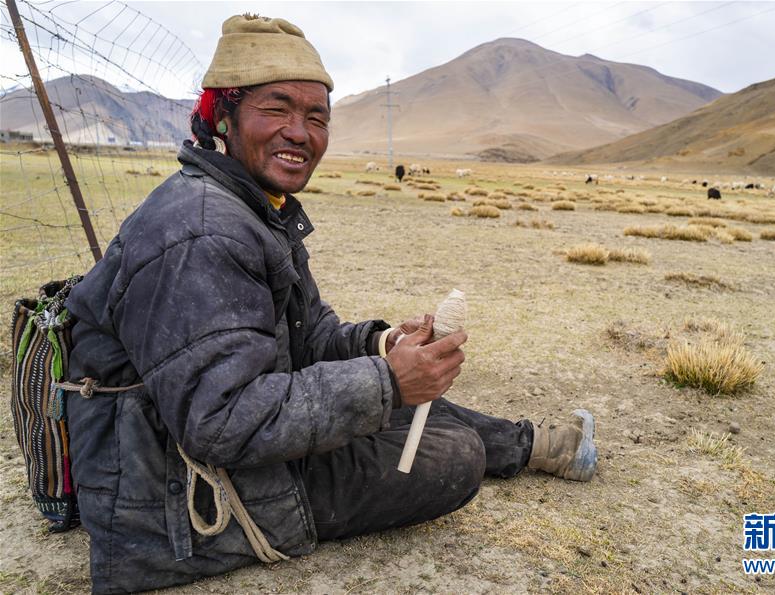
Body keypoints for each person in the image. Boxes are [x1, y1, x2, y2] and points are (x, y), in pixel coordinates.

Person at [63, 14, 597, 593]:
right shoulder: (202, 231)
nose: (301, 132)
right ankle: (526, 447)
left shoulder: (251, 209)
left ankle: (537, 445)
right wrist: (387, 382)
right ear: (222, 115)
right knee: (449, 456)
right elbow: (218, 421)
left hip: (210, 442)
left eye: (316, 117)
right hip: (173, 489)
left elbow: (305, 332)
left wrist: (381, 346)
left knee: (405, 398)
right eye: (276, 109)